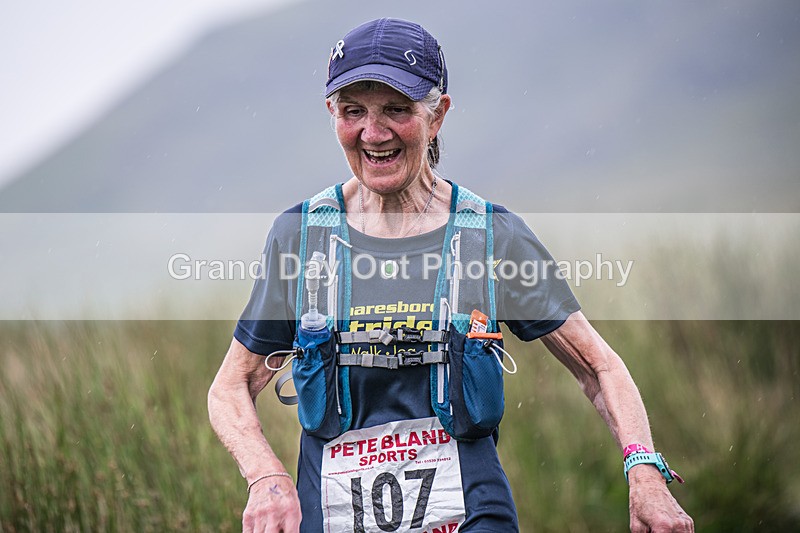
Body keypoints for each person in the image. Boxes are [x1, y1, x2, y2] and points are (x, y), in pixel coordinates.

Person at [208, 18, 694, 532]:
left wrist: (644, 472)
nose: (374, 134)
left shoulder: (490, 234)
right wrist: (266, 477)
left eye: (396, 109)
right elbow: (230, 387)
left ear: (437, 114)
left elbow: (598, 367)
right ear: (332, 114)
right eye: (354, 112)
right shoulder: (303, 236)